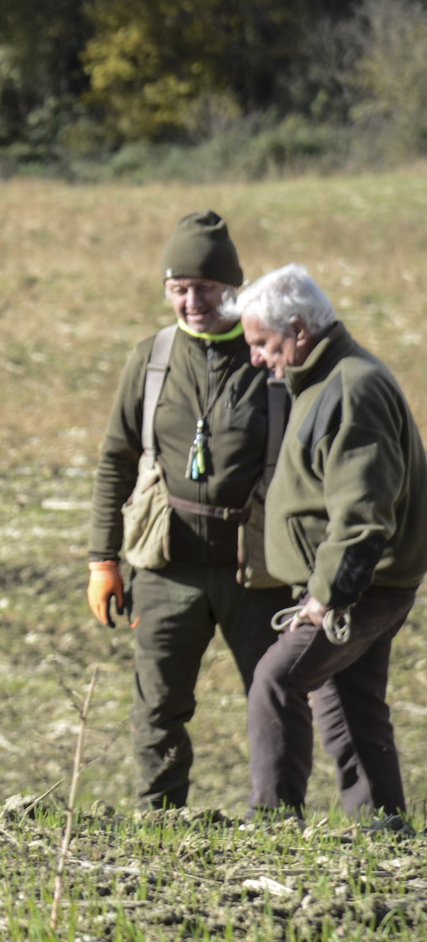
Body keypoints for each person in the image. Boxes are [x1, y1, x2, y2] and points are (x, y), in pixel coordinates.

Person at [87, 211, 290, 810]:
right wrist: (103, 559)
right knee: (157, 705)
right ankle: (160, 823)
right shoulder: (150, 359)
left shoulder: (272, 358)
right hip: (165, 568)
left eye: (205, 287)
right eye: (179, 289)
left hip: (256, 571)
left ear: (235, 286)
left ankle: (277, 823)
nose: (192, 301)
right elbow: (114, 461)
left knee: (273, 699)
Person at [238, 264, 427, 826]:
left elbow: (363, 515)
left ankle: (272, 824)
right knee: (348, 707)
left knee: (275, 683)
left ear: (298, 330)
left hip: (359, 588)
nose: (256, 357)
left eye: (262, 343)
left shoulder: (352, 388)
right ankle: (383, 828)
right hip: (355, 585)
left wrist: (325, 597)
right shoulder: (324, 379)